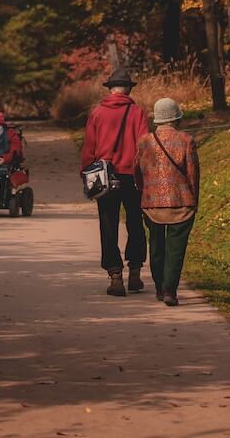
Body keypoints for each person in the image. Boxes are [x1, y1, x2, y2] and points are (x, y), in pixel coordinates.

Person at [79, 66, 149, 296]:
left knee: (108, 224)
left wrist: (85, 172)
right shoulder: (137, 113)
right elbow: (144, 146)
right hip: (132, 176)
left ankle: (115, 275)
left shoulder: (97, 113)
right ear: (128, 89)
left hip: (105, 176)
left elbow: (89, 148)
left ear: (111, 89)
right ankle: (135, 272)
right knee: (135, 223)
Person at [134, 96, 200, 307]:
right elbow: (193, 174)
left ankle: (160, 288)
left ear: (158, 119)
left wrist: (143, 192)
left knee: (156, 246)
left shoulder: (145, 141)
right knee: (175, 249)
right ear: (176, 118)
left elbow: (137, 171)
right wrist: (194, 199)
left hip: (152, 204)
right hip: (181, 204)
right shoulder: (186, 140)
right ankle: (170, 290)